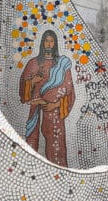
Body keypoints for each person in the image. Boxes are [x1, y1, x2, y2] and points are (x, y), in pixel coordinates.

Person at [19, 30, 74, 166]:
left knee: (56, 146)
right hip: (35, 112)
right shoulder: (33, 63)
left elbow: (69, 91)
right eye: (46, 41)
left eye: (51, 41)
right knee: (33, 142)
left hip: (54, 113)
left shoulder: (62, 64)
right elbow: (23, 92)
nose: (49, 44)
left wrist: (54, 105)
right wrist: (32, 82)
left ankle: (58, 173)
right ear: (42, 43)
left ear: (55, 44)